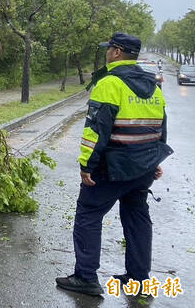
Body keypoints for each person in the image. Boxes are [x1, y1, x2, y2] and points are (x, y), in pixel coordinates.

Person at [56, 32, 173, 296]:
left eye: (109, 48)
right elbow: (161, 126)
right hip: (142, 169)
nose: (107, 52)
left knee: (88, 215)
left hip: (112, 168)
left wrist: (86, 166)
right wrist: (154, 161)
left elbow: (96, 130)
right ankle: (139, 279)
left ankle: (86, 277)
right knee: (137, 218)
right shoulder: (154, 86)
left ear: (117, 52)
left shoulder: (110, 83)